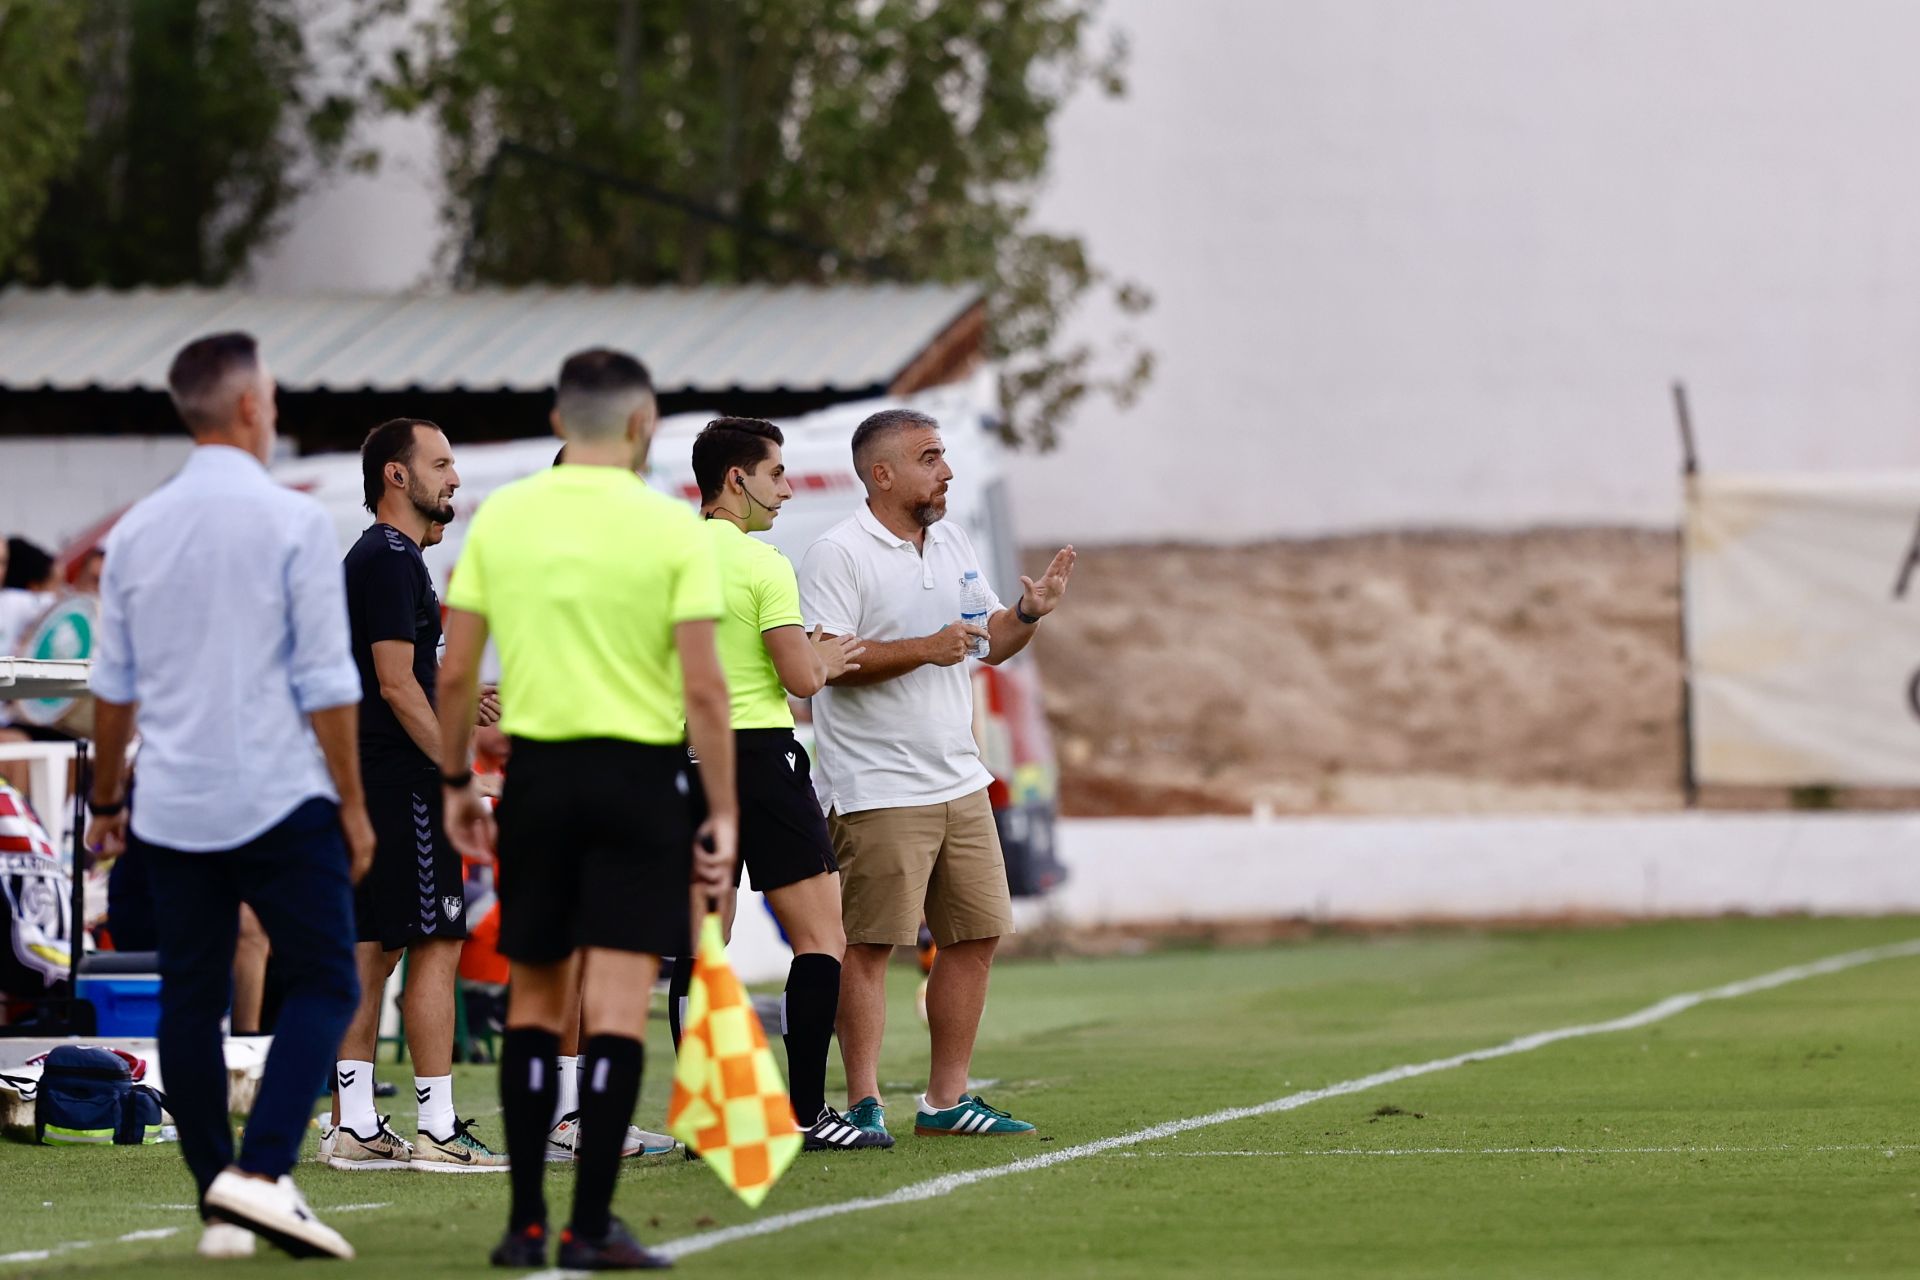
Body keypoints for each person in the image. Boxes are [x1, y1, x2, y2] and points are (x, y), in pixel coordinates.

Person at [435, 348, 738, 1270]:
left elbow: (454, 674)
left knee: (534, 1004)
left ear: (561, 422)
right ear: (643, 423)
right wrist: (720, 812)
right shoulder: (673, 528)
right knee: (614, 1007)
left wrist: (456, 783)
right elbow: (707, 690)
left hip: (539, 781)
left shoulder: (504, 517)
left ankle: (525, 1223)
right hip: (642, 780)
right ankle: (591, 1223)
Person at [83, 332, 368, 1261]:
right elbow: (328, 681)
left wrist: (109, 800)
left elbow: (112, 692)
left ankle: (219, 1200)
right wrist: (354, 803)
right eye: (274, 397)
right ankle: (261, 1171)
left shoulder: (135, 531)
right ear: (250, 406)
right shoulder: (290, 523)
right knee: (328, 977)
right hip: (280, 792)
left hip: (171, 801)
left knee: (190, 1000)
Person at [798, 407, 1076, 1142]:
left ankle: (946, 1100)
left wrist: (1028, 612)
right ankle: (862, 1103)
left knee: (975, 937)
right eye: (929, 458)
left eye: (944, 457)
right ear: (882, 474)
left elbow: (987, 642)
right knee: (868, 947)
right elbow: (826, 665)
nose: (946, 470)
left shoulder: (950, 537)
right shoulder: (837, 553)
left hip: (959, 778)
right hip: (877, 786)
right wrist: (927, 646)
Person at [665, 417, 877, 1150]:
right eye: (777, 474)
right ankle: (809, 1114)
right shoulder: (764, 564)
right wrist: (826, 657)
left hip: (684, 763)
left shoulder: (665, 558)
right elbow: (798, 680)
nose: (786, 490)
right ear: (736, 479)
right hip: (758, 758)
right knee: (822, 938)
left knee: (703, 949)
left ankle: (708, 1120)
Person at [329, 418, 507, 1173]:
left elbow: (405, 677)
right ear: (395, 477)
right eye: (440, 464)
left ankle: (354, 1124)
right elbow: (395, 684)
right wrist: (459, 776)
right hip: (404, 785)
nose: (455, 478)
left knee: (375, 951)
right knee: (438, 944)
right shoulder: (390, 556)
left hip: (381, 779)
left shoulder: (390, 558)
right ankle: (436, 1127)